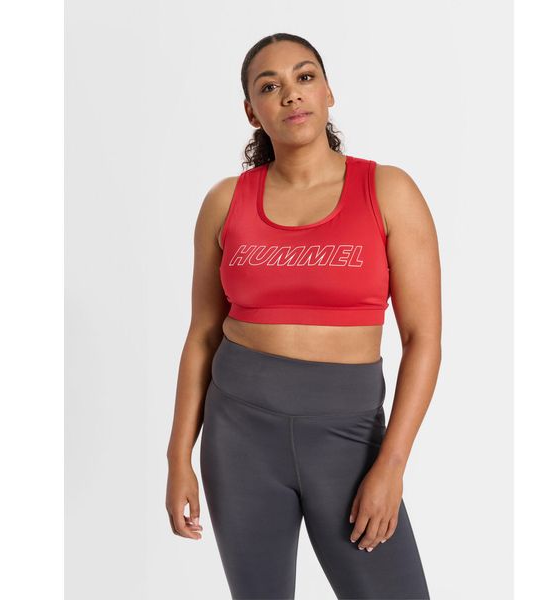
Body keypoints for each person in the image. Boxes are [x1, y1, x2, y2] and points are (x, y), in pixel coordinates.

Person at [166, 32, 441, 600]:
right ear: (252, 112)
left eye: (305, 76)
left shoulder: (388, 190)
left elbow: (423, 339)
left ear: (328, 91)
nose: (291, 94)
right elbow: (202, 335)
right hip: (238, 437)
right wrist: (178, 458)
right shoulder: (225, 201)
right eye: (269, 87)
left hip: (349, 439)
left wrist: (391, 466)